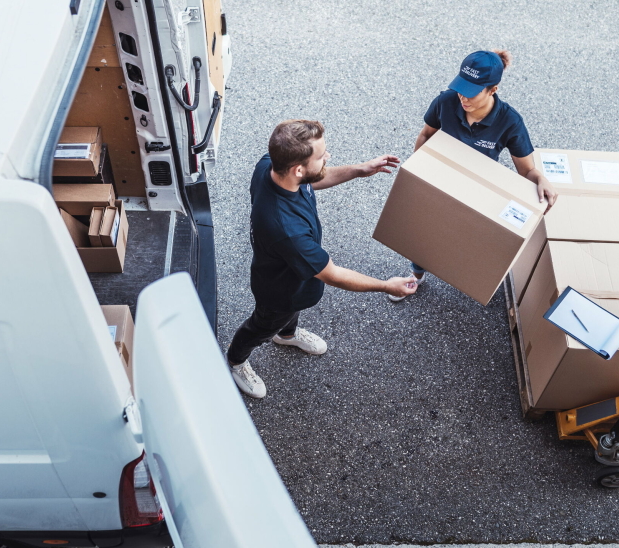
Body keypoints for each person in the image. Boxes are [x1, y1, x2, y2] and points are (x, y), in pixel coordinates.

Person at [227, 120, 417, 398]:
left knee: (290, 313)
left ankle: (287, 335)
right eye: (321, 156)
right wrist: (388, 286)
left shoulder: (271, 166)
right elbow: (333, 274)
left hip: (297, 277)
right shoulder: (288, 231)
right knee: (263, 324)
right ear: (298, 168)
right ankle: (235, 361)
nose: (328, 157)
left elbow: (314, 180)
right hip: (279, 290)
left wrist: (359, 169)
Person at [389, 49, 559, 302]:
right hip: (440, 179)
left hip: (479, 188)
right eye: (461, 87)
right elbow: (426, 134)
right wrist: (418, 170)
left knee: (466, 235)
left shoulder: (510, 122)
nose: (463, 97)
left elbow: (526, 170)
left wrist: (541, 180)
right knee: (425, 230)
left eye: (472, 91)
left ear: (493, 90)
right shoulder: (446, 102)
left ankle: (465, 276)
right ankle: (417, 273)